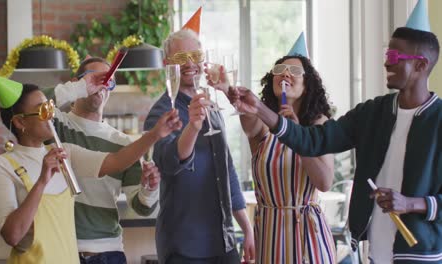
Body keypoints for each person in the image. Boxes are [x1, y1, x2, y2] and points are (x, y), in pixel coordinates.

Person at [228, 26, 441, 263]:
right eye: (385, 56)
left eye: (393, 57)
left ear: (421, 65)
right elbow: (315, 141)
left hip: (419, 255)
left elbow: (323, 179)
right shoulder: (372, 112)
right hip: (371, 251)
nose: (386, 64)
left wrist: (410, 203)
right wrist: (259, 108)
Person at [0, 74, 181, 264]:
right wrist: (41, 182)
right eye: (43, 110)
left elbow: (115, 160)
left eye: (51, 107)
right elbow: (12, 236)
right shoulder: (2, 166)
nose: (51, 115)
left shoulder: (64, 153)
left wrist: (155, 134)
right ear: (20, 122)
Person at [210, 43, 336, 262]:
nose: (285, 74)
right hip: (269, 234)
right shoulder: (262, 125)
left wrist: (296, 136)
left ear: (307, 85)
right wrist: (229, 89)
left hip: (307, 236)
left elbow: (324, 182)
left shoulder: (319, 124)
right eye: (279, 70)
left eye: (295, 71)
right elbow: (247, 115)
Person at [143, 29, 255, 264]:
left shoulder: (212, 107)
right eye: (180, 58)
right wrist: (193, 126)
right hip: (184, 245)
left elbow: (227, 171)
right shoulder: (161, 112)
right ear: (167, 64)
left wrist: (247, 228)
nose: (189, 63)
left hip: (224, 241)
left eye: (194, 55)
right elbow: (170, 163)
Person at [47, 57, 161, 264]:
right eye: (94, 79)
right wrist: (79, 88)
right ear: (78, 82)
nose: (101, 86)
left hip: (109, 254)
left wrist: (149, 188)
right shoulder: (56, 124)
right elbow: (29, 105)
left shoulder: (124, 144)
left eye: (108, 81)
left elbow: (143, 208)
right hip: (61, 250)